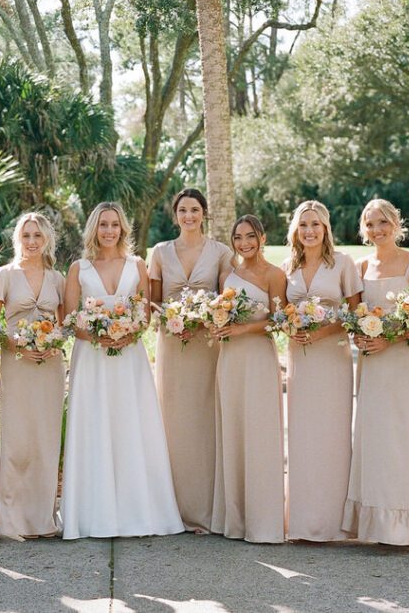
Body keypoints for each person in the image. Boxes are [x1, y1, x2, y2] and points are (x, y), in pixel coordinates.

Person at [59, 202, 183, 539]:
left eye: (115, 224)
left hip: (129, 356)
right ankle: (92, 515)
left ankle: (138, 512)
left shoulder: (137, 264)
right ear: (94, 230)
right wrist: (100, 335)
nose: (109, 231)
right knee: (95, 425)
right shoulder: (78, 269)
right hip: (92, 359)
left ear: (123, 229)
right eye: (103, 225)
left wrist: (126, 333)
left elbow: (144, 313)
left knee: (132, 424)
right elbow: (69, 319)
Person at [342, 199, 409, 545]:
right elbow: (354, 317)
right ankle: (377, 524)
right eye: (370, 224)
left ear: (396, 224)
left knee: (407, 436)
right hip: (373, 365)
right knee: (376, 439)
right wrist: (361, 337)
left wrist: (391, 338)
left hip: (405, 362)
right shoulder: (360, 267)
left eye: (383, 222)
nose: (377, 230)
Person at [148, 188, 233, 533]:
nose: (189, 216)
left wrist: (202, 319)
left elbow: (225, 302)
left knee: (203, 420)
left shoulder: (221, 253)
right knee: (172, 420)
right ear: (175, 215)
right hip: (171, 344)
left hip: (205, 345)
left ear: (204, 213)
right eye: (183, 210)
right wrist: (169, 320)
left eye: (195, 210)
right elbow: (152, 304)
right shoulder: (159, 252)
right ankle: (172, 509)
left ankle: (204, 509)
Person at [0, 212, 67, 539]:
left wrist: (52, 343)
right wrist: (16, 342)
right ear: (18, 238)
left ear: (47, 239)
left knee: (45, 439)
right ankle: (15, 520)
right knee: (18, 439)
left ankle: (43, 519)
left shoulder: (58, 279)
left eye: (37, 236)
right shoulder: (4, 276)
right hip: (16, 363)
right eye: (26, 236)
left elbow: (65, 323)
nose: (31, 242)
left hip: (49, 365)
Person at [282, 201, 362, 542]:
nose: (309, 231)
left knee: (332, 435)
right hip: (300, 358)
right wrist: (291, 329)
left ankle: (333, 523)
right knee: (302, 437)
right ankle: (302, 522)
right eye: (303, 226)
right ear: (295, 231)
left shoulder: (343, 264)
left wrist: (321, 331)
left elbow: (354, 314)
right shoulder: (288, 266)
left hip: (332, 357)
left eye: (315, 224)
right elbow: (281, 312)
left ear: (326, 227)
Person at [211, 215, 287, 543]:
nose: (244, 243)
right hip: (229, 359)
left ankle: (263, 522)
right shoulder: (229, 275)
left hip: (258, 356)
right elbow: (219, 311)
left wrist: (244, 327)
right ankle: (236, 519)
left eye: (250, 236)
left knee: (260, 431)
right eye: (238, 237)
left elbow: (279, 320)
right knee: (234, 429)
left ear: (262, 237)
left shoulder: (275, 274)